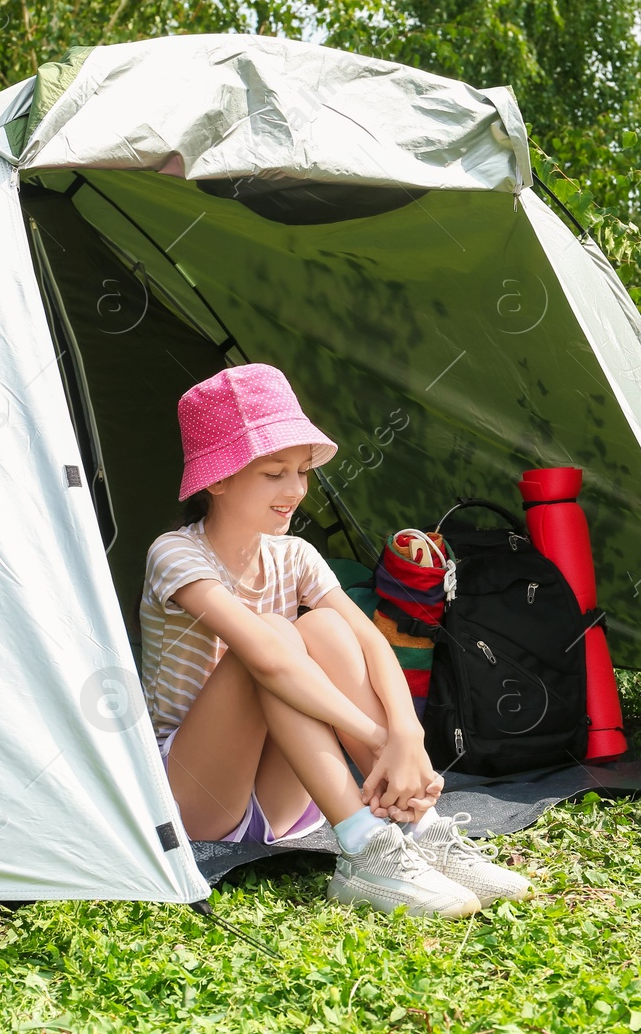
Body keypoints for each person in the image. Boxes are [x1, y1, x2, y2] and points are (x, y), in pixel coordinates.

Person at [139, 363, 533, 917]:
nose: (296, 490)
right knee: (275, 635)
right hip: (196, 796)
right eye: (274, 473)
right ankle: (364, 846)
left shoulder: (294, 554)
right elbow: (269, 660)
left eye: (301, 472)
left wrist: (406, 734)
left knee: (324, 626)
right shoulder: (175, 554)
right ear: (218, 479)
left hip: (283, 800)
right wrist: (377, 736)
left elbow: (372, 645)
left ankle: (423, 830)